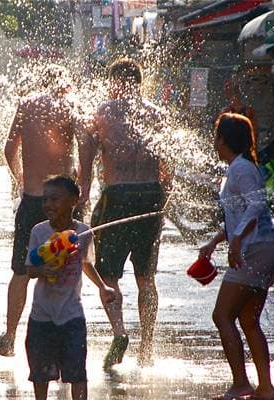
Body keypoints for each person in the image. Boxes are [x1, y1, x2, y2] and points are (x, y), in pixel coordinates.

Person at [78, 58, 171, 368]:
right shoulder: (156, 115)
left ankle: (119, 332)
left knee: (107, 274)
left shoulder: (101, 114)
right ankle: (147, 347)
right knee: (146, 277)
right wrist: (164, 203)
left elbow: (88, 161)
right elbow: (167, 168)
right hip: (150, 195)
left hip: (117, 196)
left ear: (113, 82)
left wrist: (82, 199)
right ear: (139, 83)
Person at [0, 65, 81, 357]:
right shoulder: (70, 106)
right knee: (65, 268)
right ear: (64, 86)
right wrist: (80, 181)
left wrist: (21, 179)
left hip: (33, 198)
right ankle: (61, 333)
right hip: (62, 201)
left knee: (21, 269)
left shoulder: (27, 104)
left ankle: (9, 335)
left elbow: (8, 148)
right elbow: (85, 143)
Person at [199, 113, 274, 400]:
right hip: (262, 249)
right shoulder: (240, 167)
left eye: (216, 136)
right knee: (247, 320)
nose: (214, 142)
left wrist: (235, 242)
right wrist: (215, 241)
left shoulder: (240, 168)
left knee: (222, 315)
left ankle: (241, 383)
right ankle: (265, 388)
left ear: (223, 139)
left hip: (255, 251)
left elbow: (256, 206)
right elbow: (240, 213)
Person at [25, 175, 115, 400]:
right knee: (41, 374)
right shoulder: (39, 231)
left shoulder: (83, 233)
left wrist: (102, 287)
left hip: (71, 314)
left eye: (55, 199)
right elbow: (30, 269)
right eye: (45, 200)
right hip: (42, 315)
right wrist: (43, 270)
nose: (48, 205)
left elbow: (85, 263)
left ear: (74, 200)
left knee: (77, 373)